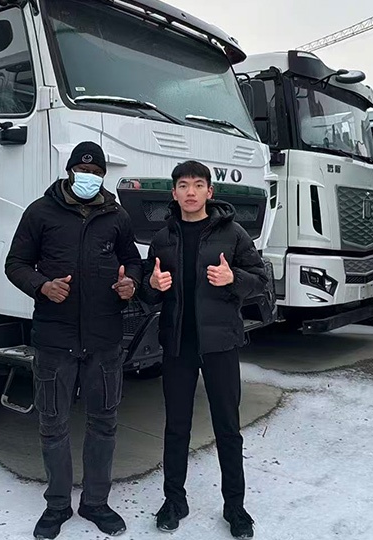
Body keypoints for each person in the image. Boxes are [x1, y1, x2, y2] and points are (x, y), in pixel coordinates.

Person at [5, 141, 143, 540]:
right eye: (83, 171)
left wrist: (130, 284)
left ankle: (96, 503)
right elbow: (15, 263)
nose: (89, 178)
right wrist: (42, 286)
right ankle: (57, 506)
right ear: (69, 172)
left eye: (96, 173)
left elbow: (132, 261)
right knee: (53, 425)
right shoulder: (40, 212)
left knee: (104, 424)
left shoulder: (117, 216)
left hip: (104, 341)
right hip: (55, 339)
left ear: (103, 176)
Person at [139, 160, 269, 539]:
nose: (191, 192)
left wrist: (233, 278)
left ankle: (235, 507)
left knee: (227, 427)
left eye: (198, 185)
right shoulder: (163, 238)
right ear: (174, 193)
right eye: (183, 185)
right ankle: (174, 501)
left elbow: (261, 280)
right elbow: (147, 292)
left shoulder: (233, 233)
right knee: (176, 427)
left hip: (220, 345)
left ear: (210, 192)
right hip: (178, 346)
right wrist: (152, 286)